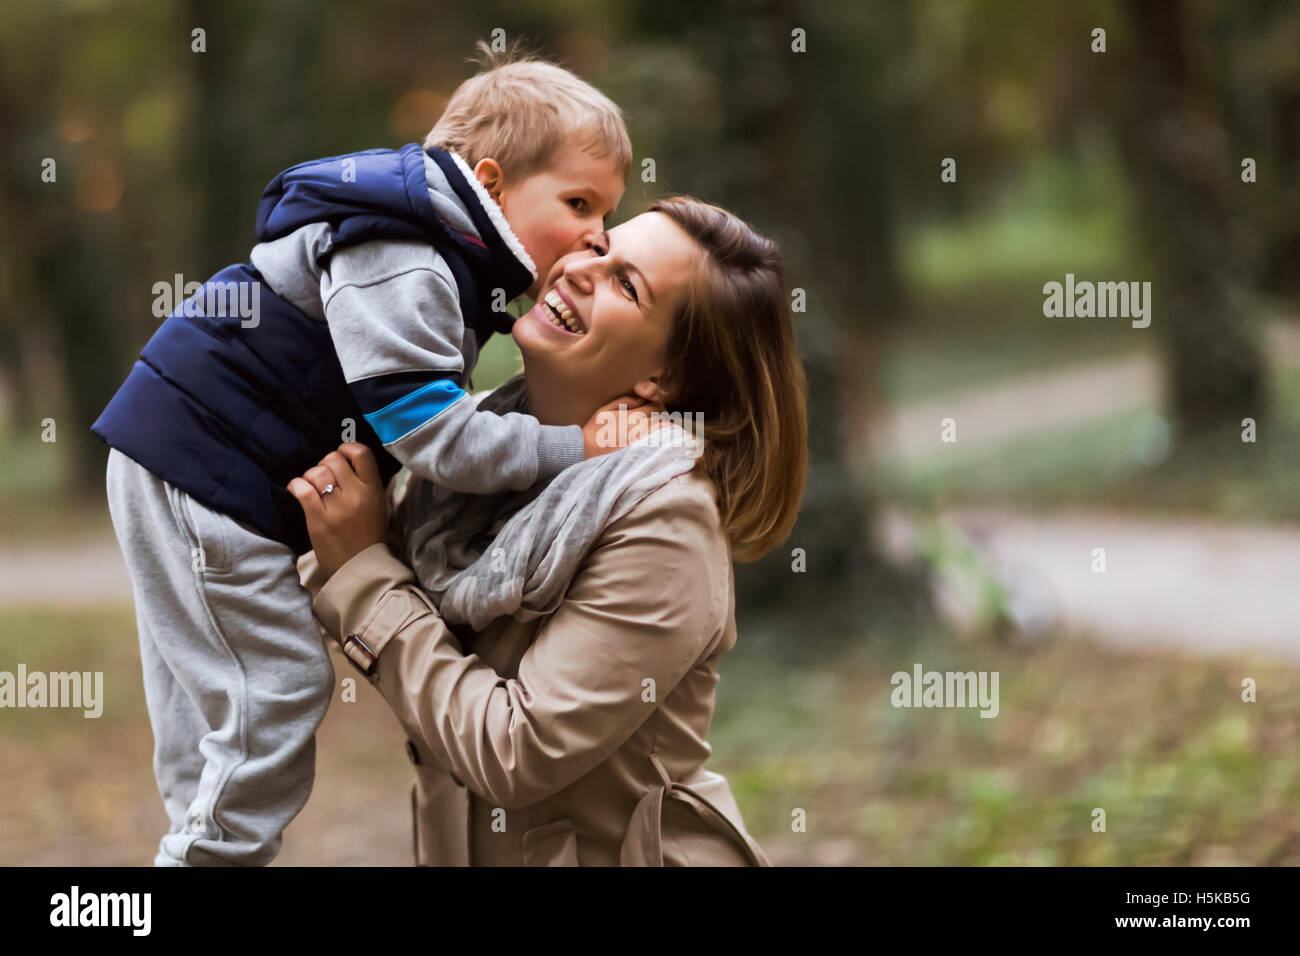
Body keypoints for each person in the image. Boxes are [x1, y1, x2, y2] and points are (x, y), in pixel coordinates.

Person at [93, 48, 641, 866]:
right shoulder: (407, 258)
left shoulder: (427, 247)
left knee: (209, 703)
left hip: (178, 454)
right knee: (275, 692)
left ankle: (191, 846)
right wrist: (580, 446)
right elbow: (433, 435)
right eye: (578, 202)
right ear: (489, 185)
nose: (598, 236)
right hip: (208, 469)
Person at [292, 197, 809, 865]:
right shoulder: (461, 459)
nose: (581, 270)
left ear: (663, 378)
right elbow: (338, 555)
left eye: (627, 284)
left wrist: (363, 572)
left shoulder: (664, 519)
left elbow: (515, 750)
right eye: (598, 248)